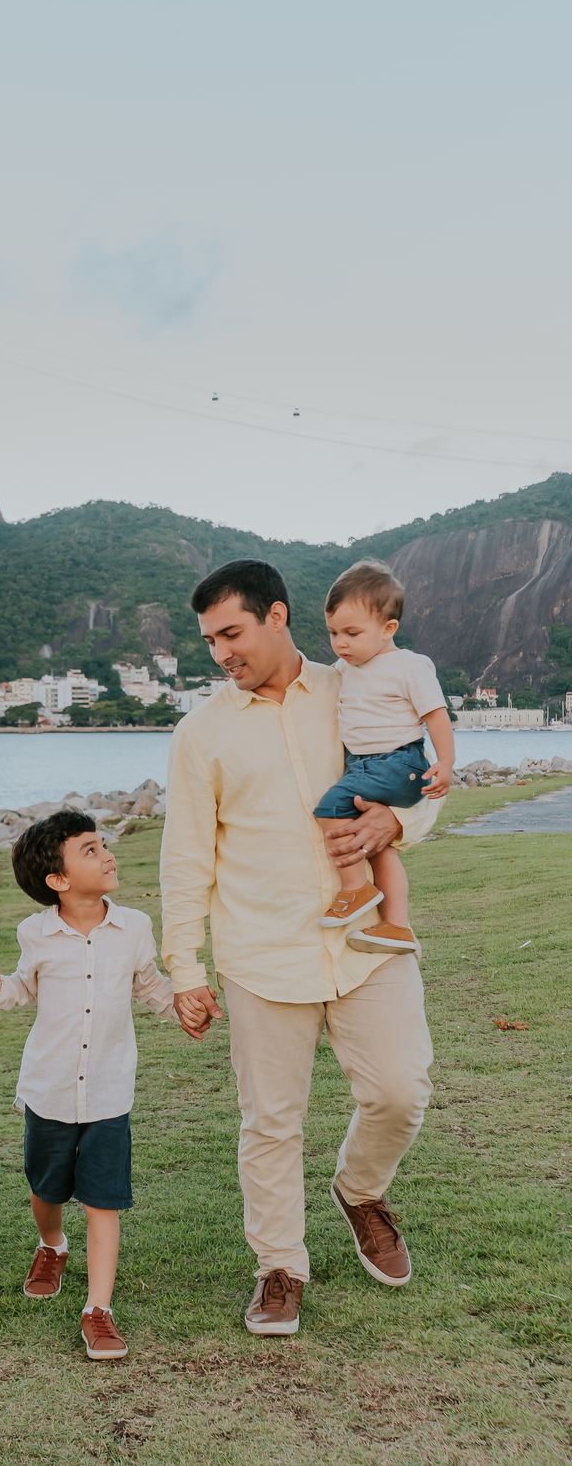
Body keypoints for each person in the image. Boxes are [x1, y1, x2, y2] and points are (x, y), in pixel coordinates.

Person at [160, 560, 442, 1337]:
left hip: (366, 938)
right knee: (271, 1123)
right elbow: (185, 858)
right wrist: (183, 967)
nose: (221, 652)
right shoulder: (202, 732)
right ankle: (279, 1267)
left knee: (400, 1089)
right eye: (211, 639)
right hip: (260, 951)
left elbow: (420, 780)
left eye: (232, 632)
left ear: (277, 617)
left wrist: (399, 824)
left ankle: (359, 1190)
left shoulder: (360, 686)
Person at [0, 810, 179, 1361]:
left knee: (103, 1200)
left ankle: (98, 1309)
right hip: (50, 1088)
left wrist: (185, 1008)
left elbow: (150, 985)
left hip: (110, 1090)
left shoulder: (134, 926)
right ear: (56, 882)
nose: (107, 854)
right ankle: (51, 1244)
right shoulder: (34, 933)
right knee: (46, 1189)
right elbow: (19, 992)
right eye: (89, 850)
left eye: (102, 844)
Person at [314, 560, 454, 954]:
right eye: (334, 633)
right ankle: (397, 926)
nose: (340, 643)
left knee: (329, 808)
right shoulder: (344, 668)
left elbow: (435, 715)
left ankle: (355, 888)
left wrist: (445, 762)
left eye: (352, 633)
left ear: (388, 629)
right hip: (366, 765)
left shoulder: (408, 665)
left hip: (398, 763)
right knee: (381, 848)